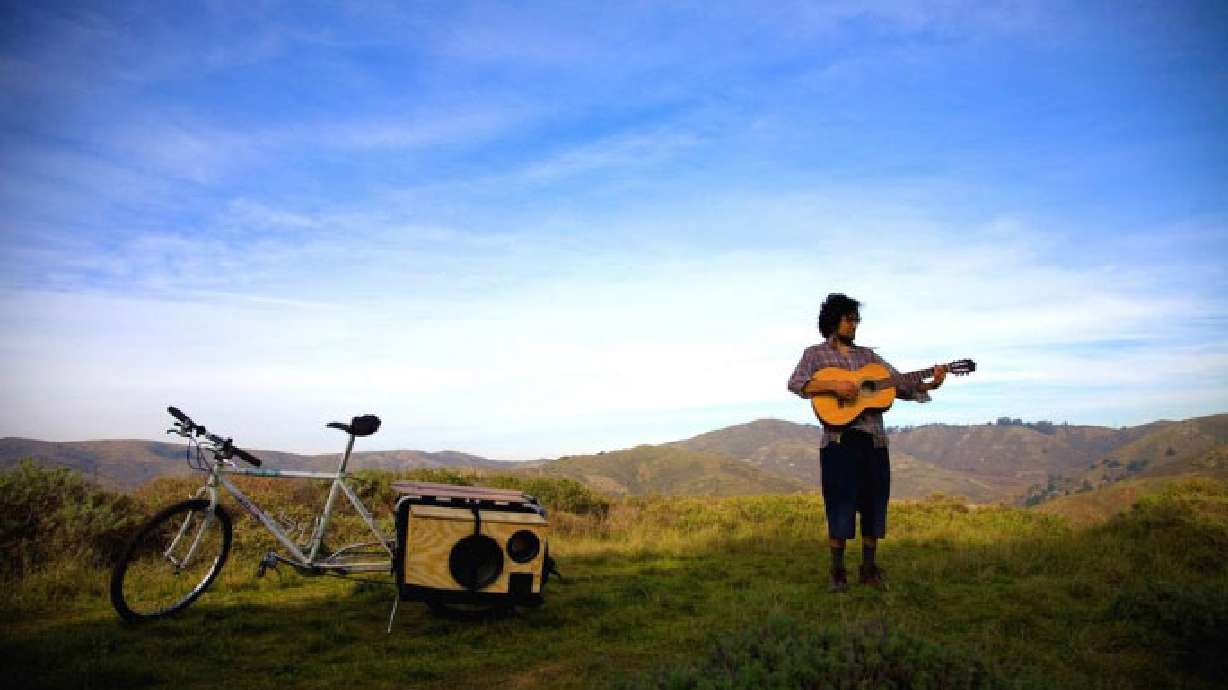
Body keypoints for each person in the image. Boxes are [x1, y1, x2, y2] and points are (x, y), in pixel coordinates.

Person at [787, 293, 946, 592]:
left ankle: (869, 569)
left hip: (874, 441)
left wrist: (931, 382)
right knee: (839, 505)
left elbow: (901, 384)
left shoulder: (869, 359)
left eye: (857, 319)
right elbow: (796, 383)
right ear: (834, 320)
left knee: (874, 504)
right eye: (850, 319)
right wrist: (834, 384)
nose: (855, 325)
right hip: (838, 441)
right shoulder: (815, 355)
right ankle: (837, 572)